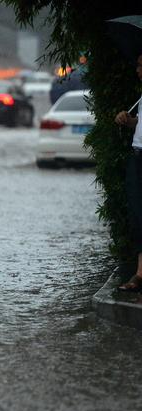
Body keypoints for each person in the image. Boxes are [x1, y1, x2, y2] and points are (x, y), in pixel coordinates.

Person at [115, 52, 142, 291]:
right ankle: (141, 272)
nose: (137, 70)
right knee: (137, 213)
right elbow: (139, 124)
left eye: (141, 65)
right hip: (137, 155)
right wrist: (128, 119)